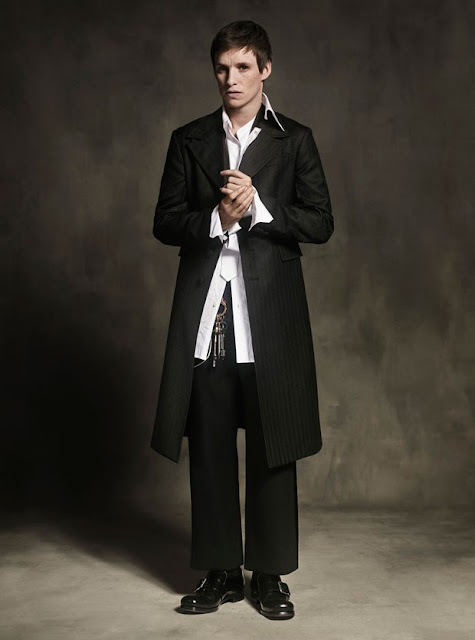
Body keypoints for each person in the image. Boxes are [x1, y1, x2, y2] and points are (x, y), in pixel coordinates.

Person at [151, 20, 333, 619]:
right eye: (223, 68)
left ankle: (270, 576)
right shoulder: (189, 139)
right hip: (208, 317)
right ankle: (221, 572)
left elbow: (320, 222)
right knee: (208, 447)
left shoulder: (294, 139)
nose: (232, 79)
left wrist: (259, 209)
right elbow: (164, 221)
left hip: (270, 317)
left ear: (265, 70)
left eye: (244, 67)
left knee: (274, 445)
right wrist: (217, 219)